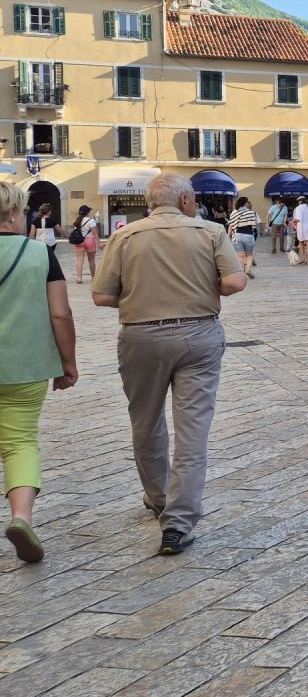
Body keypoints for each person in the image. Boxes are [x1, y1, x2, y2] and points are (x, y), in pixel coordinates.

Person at [91, 173, 246, 556]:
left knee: (145, 422)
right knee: (193, 430)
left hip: (141, 336)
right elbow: (235, 282)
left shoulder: (126, 236)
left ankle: (158, 498)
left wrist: (140, 294)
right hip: (198, 335)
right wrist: (205, 286)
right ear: (186, 201)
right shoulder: (210, 232)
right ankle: (178, 523)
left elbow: (101, 296)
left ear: (150, 202)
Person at [0, 181, 78, 563]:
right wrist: (68, 364)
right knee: (20, 443)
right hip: (25, 368)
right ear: (15, 213)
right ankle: (21, 518)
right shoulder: (39, 253)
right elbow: (60, 313)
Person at [227, 196, 260, 278]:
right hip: (248, 235)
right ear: (245, 203)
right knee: (249, 255)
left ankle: (241, 273)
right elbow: (255, 224)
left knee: (240, 256)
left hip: (237, 236)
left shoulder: (234, 212)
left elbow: (231, 225)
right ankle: (248, 270)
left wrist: (228, 236)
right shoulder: (250, 212)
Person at [71, 205, 100, 284]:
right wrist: (99, 243)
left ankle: (79, 278)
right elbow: (95, 233)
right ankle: (93, 278)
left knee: (79, 260)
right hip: (90, 240)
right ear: (88, 212)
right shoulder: (91, 221)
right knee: (91, 260)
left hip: (79, 241)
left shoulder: (76, 220)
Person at [292, 196, 308, 264]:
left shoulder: (298, 208)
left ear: (300, 201)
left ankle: (303, 258)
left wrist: (292, 220)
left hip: (302, 227)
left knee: (301, 243)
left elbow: (298, 218)